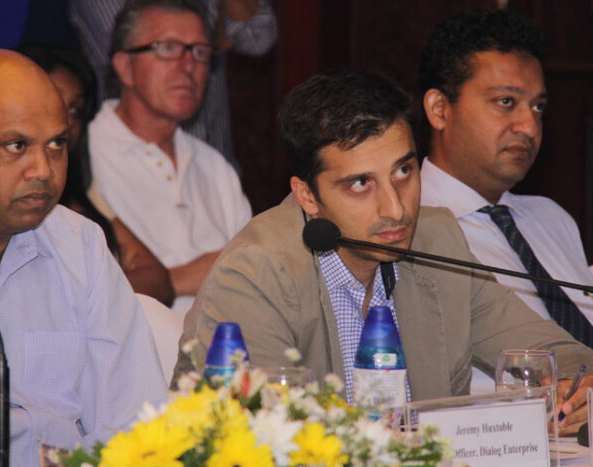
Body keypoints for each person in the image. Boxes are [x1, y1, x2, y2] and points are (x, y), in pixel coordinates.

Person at [173, 69, 593, 436]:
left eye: (403, 171)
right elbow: (263, 439)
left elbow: (558, 353)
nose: (395, 209)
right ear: (307, 195)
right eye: (361, 184)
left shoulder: (436, 240)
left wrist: (578, 391)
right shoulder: (254, 276)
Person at [0, 49, 167, 465]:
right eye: (16, 146)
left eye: (56, 144)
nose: (43, 169)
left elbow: (136, 422)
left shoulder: (80, 244)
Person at [418, 9, 593, 399]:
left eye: (538, 107)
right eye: (505, 102)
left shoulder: (551, 218)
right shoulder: (404, 227)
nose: (529, 126)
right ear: (439, 110)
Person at [88, 0, 252, 318]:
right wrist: (187, 277)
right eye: (167, 48)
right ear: (124, 66)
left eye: (200, 52)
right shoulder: (83, 157)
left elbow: (254, 278)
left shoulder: (215, 167)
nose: (188, 65)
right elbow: (77, 295)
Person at [16, 44, 175, 305]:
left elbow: (158, 281)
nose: (67, 121)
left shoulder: (83, 193)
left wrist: (88, 293)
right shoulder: (5, 193)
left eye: (75, 109)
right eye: (55, 102)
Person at [69, 0, 277, 166]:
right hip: (131, 158)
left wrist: (210, 41)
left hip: (213, 154)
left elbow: (259, 38)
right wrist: (208, 43)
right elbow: (134, 51)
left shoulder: (220, 175)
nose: (188, 63)